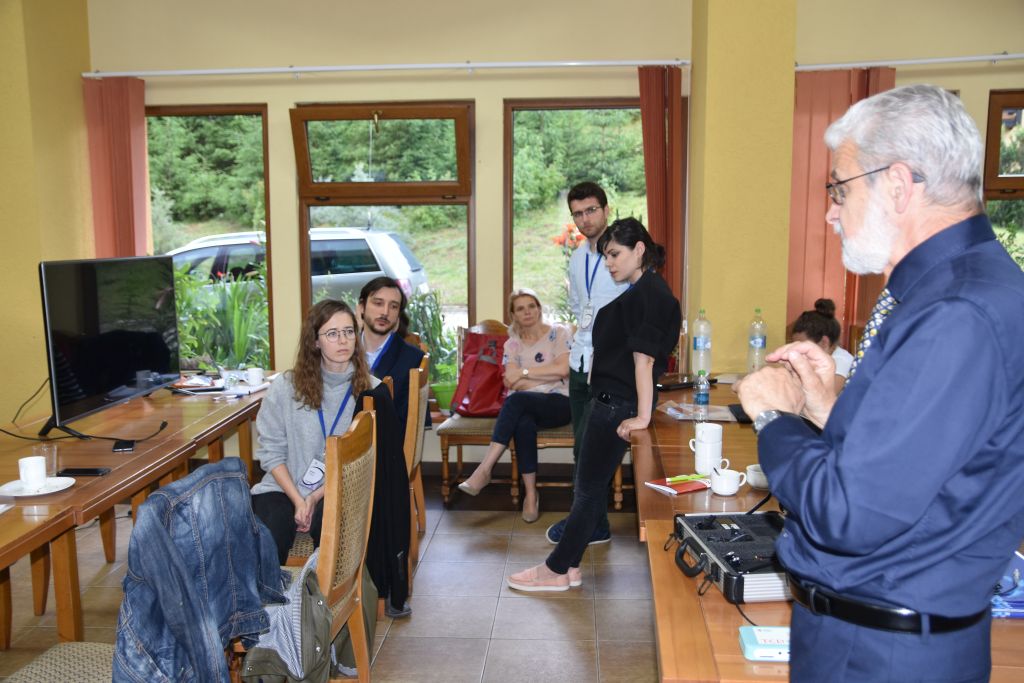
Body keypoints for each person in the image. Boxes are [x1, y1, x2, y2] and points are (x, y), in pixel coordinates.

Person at [736, 84, 1024, 682]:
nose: (830, 213)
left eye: (839, 189)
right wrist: (828, 411)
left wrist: (774, 416)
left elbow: (849, 513)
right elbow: (928, 467)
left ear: (897, 184)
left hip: (881, 653)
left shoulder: (955, 313)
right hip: (885, 638)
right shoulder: (958, 288)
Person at [508, 218, 681, 591]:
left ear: (639, 250)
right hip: (610, 400)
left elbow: (645, 361)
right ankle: (568, 566)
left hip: (615, 405)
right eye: (605, 256)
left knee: (587, 491)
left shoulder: (653, 295)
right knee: (590, 489)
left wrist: (642, 415)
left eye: (615, 254)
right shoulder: (642, 290)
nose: (609, 263)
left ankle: (556, 569)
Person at [251, 299, 412, 617]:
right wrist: (299, 499)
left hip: (338, 490)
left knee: (333, 534)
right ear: (315, 341)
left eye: (349, 332)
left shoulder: (371, 392)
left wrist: (313, 498)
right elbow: (270, 452)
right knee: (265, 532)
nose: (343, 341)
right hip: (284, 486)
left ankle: (322, 619)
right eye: (332, 333)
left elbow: (368, 463)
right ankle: (266, 619)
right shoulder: (285, 387)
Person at [546, 181, 629, 546]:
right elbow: (581, 309)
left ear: (606, 210)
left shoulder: (623, 254)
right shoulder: (578, 257)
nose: (585, 219)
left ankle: (586, 524)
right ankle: (593, 523)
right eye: (577, 214)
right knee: (581, 448)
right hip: (581, 361)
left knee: (594, 449)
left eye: (591, 210)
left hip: (610, 368)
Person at [457, 288, 572, 522]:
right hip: (528, 404)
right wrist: (544, 377)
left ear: (539, 309)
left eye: (531, 306)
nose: (527, 312)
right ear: (513, 315)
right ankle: (530, 494)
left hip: (560, 403)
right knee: (523, 423)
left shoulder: (559, 333)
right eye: (520, 308)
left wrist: (524, 372)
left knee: (516, 401)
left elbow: (563, 370)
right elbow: (510, 381)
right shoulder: (512, 345)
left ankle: (484, 469)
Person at [357, 276, 428, 429]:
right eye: (378, 303)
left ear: (398, 315)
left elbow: (406, 426)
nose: (385, 312)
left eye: (393, 306)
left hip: (385, 440)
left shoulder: (413, 359)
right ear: (362, 307)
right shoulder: (343, 353)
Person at [790, 298, 853, 391]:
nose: (798, 354)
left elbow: (826, 394)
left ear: (824, 343)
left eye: (803, 349)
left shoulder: (841, 361)